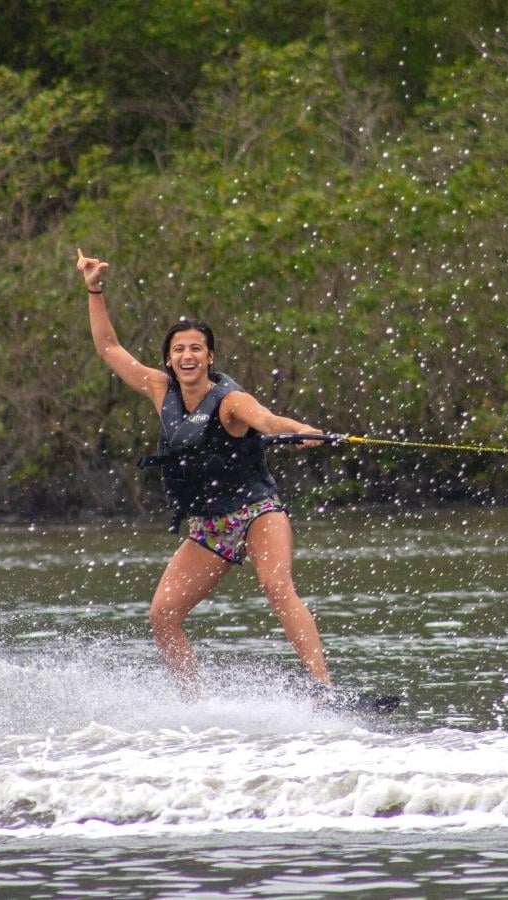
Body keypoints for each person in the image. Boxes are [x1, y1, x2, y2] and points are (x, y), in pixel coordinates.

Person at [75, 248, 332, 699]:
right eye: (179, 350)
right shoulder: (160, 388)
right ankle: (193, 703)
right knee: (162, 614)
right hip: (210, 524)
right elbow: (109, 348)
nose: (187, 355)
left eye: (196, 348)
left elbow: (270, 422)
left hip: (255, 511)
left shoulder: (231, 401)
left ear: (209, 356)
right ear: (170, 360)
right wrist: (94, 288)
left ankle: (324, 688)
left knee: (276, 586)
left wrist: (302, 430)